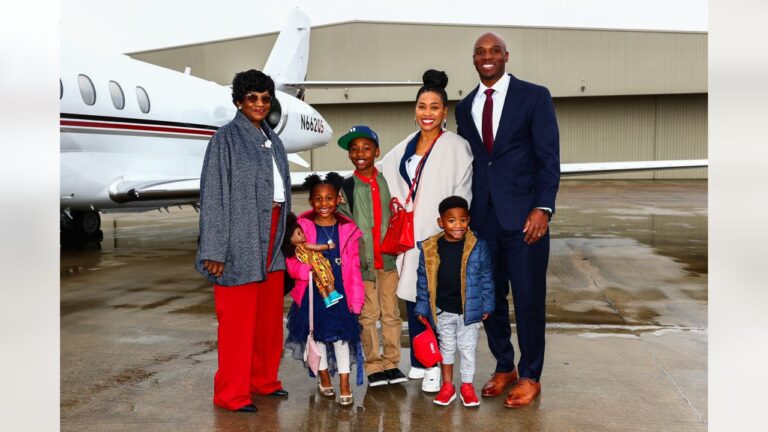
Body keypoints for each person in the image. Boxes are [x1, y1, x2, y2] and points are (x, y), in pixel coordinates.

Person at [454, 32, 560, 408]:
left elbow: (549, 158)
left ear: (506, 56)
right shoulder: (464, 107)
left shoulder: (534, 96)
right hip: (483, 221)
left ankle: (531, 374)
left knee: (528, 300)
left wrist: (543, 208)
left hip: (525, 220)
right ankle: (505, 366)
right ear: (474, 59)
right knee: (490, 299)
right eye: (480, 52)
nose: (487, 57)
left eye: (494, 51)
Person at [195, 69, 290, 413]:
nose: (259, 104)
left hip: (273, 237)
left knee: (267, 320)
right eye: (252, 98)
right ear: (238, 101)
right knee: (237, 323)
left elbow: (281, 194)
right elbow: (213, 196)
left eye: (265, 98)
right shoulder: (225, 139)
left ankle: (263, 380)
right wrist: (214, 249)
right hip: (239, 239)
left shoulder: (273, 140)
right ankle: (231, 393)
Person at [379, 69, 474, 393]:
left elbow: (463, 193)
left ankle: (436, 364)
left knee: (436, 300)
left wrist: (453, 230)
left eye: (434, 107)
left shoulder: (457, 147)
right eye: (422, 106)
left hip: (439, 235)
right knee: (413, 297)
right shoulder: (406, 145)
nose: (427, 113)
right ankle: (421, 360)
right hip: (410, 234)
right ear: (415, 110)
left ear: (445, 111)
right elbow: (382, 171)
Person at [284, 173, 365, 407]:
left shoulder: (348, 229)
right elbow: (291, 260)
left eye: (329, 198)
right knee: (316, 337)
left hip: (341, 294)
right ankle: (324, 377)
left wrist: (356, 299)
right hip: (313, 296)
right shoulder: (302, 227)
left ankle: (345, 384)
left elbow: (354, 269)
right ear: (311, 201)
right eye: (318, 199)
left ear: (338, 199)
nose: (324, 203)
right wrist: (304, 271)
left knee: (342, 339)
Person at [336, 125, 406, 387]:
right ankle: (374, 365)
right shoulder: (346, 188)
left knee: (391, 314)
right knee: (368, 316)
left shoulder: (389, 181)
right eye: (354, 149)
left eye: (366, 148)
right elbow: (343, 227)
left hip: (388, 262)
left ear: (377, 151)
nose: (360, 154)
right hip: (362, 265)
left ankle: (392, 363)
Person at [414, 196, 494, 407]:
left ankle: (467, 386)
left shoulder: (477, 246)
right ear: (441, 222)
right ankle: (447, 387)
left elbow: (486, 277)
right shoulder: (430, 248)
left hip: (469, 312)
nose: (458, 225)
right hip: (443, 310)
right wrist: (422, 307)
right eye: (451, 220)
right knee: (447, 349)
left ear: (468, 220)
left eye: (463, 220)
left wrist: (487, 304)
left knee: (467, 350)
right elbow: (423, 281)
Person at [282, 212, 344, 308]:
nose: (303, 235)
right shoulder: (304, 246)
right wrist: (327, 246)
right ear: (290, 239)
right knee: (327, 277)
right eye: (299, 233)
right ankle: (333, 293)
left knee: (320, 285)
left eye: (302, 232)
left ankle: (327, 300)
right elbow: (317, 247)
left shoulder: (297, 250)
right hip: (317, 265)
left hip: (313, 270)